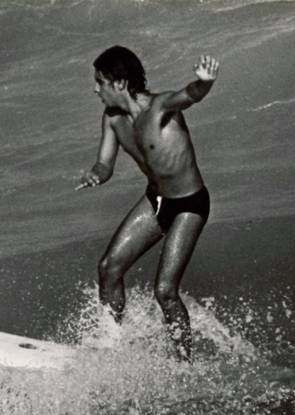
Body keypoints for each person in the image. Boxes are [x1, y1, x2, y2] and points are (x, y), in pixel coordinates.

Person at [75, 46, 220, 360]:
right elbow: (105, 164)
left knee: (165, 292)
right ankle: (112, 346)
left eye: (100, 81)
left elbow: (190, 94)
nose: (95, 88)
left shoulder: (159, 107)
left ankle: (184, 364)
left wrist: (205, 82)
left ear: (120, 83)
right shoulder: (113, 119)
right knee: (109, 268)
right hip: (156, 200)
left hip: (188, 205)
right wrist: (95, 175)